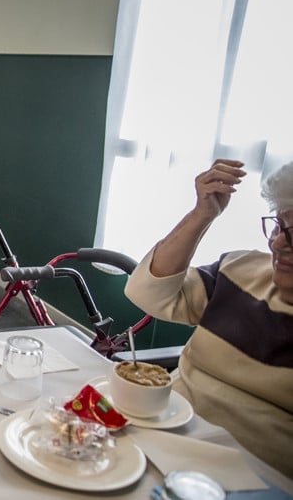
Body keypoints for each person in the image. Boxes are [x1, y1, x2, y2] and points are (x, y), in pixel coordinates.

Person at [124, 159, 293, 476]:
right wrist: (202, 214)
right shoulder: (240, 269)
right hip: (157, 429)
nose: (278, 244)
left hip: (251, 475)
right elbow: (147, 294)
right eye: (278, 226)